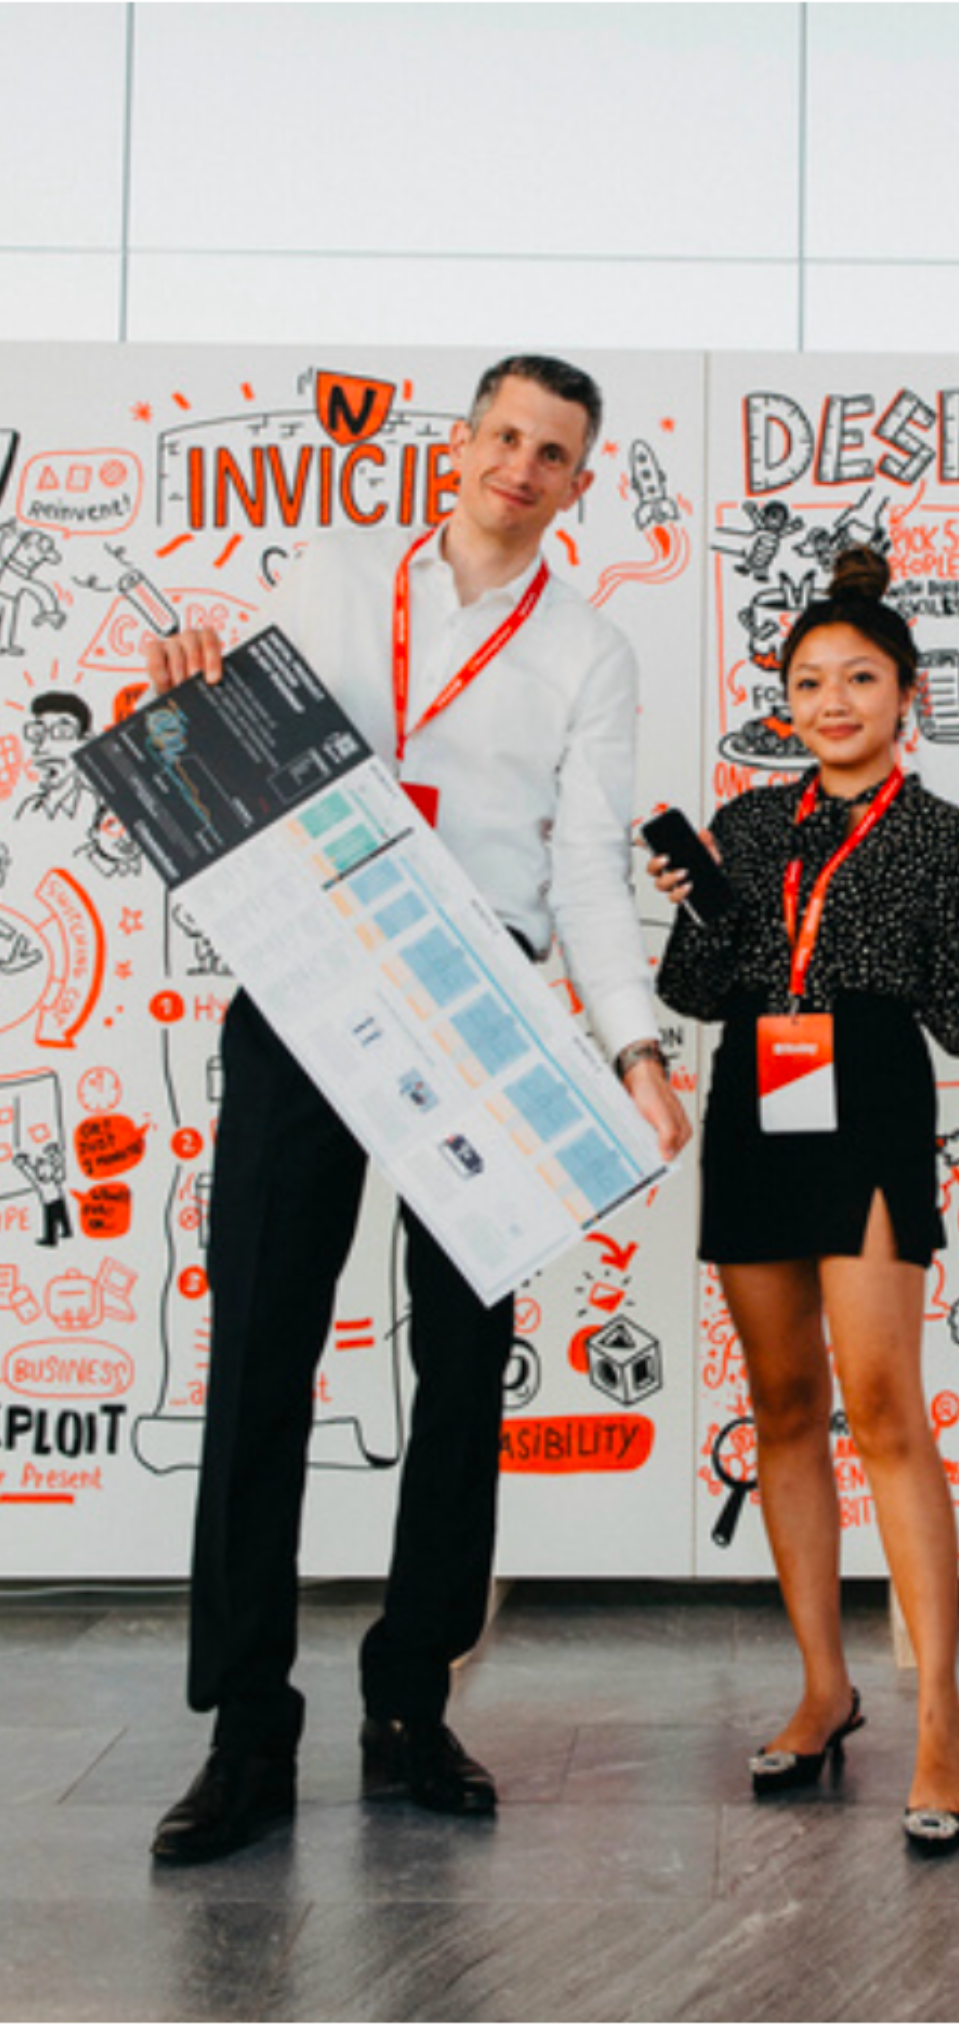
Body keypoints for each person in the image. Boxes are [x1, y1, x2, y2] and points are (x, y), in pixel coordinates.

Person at [145, 354, 690, 1865]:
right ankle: (245, 1726)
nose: (522, 465)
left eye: (553, 452)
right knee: (261, 1351)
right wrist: (188, 716)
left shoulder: (589, 650)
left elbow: (586, 868)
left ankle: (411, 1706)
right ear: (462, 444)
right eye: (505, 434)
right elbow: (245, 778)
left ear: (580, 482)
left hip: (486, 1010)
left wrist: (634, 1049)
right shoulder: (329, 578)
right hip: (309, 985)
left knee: (462, 1370)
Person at [653, 546, 959, 1854]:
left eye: (860, 678)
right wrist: (698, 907)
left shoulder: (950, 840)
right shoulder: (747, 825)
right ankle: (824, 1690)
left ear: (907, 693)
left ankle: (941, 1717)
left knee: (883, 1403)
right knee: (783, 1404)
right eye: (810, 682)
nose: (834, 701)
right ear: (785, 701)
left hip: (867, 1098)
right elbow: (695, 993)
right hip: (755, 1100)